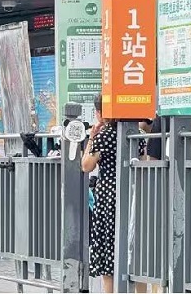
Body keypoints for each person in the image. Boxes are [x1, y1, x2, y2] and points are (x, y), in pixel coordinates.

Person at [81, 94, 116, 293]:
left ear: (100, 113)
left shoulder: (103, 136)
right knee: (133, 253)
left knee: (107, 253)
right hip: (131, 193)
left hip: (108, 196)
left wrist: (92, 138)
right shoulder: (135, 133)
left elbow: (86, 165)